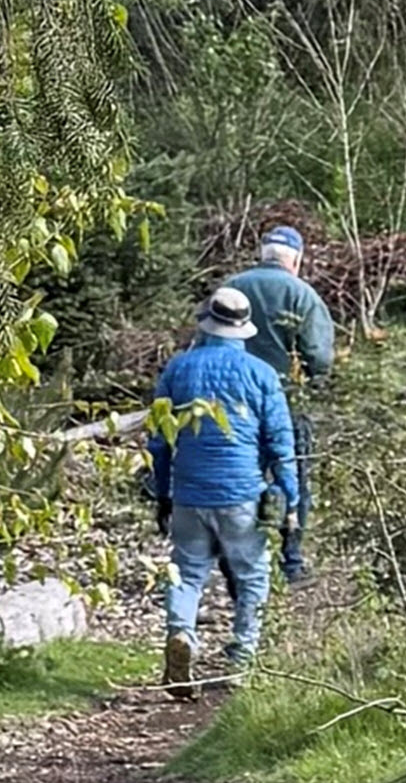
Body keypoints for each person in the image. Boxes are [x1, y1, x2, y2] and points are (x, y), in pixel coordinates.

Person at [148, 286, 298, 697]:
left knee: (187, 572)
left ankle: (182, 636)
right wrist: (291, 500)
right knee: (252, 575)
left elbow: (159, 440)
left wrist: (161, 493)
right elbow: (281, 442)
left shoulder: (179, 370)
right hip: (241, 493)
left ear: (207, 323)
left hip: (190, 492)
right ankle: (241, 658)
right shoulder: (262, 375)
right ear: (243, 330)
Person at [228, 225, 334, 584]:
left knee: (240, 475)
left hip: (234, 402)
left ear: (263, 254)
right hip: (285, 400)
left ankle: (238, 556)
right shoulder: (302, 295)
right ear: (297, 260)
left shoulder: (233, 288)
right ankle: (292, 560)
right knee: (294, 477)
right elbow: (319, 357)